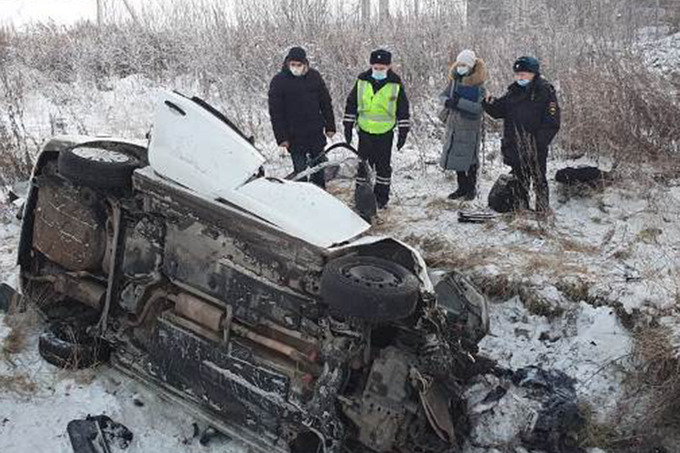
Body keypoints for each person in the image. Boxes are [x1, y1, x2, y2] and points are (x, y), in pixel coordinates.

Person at [482, 56, 560, 213]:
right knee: (519, 179)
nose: (520, 77)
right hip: (515, 145)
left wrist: (537, 143)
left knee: (539, 180)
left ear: (533, 74)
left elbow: (552, 122)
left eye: (523, 74)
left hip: (536, 146)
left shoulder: (545, 91)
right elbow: (499, 111)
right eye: (517, 74)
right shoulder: (513, 92)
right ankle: (521, 208)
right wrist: (489, 103)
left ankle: (542, 212)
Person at [343, 49, 410, 209]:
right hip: (365, 132)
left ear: (389, 66)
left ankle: (381, 198)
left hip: (385, 133)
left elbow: (403, 109)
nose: (378, 70)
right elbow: (351, 103)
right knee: (363, 167)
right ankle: (361, 197)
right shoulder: (362, 81)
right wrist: (347, 125)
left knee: (383, 168)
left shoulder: (395, 84)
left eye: (382, 68)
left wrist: (403, 132)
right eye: (376, 67)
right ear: (371, 65)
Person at [268, 46, 336, 189]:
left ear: (305, 64)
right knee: (301, 172)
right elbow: (276, 113)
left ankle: (320, 193)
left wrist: (330, 126)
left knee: (319, 169)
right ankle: (302, 196)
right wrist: (282, 138)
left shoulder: (314, 77)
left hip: (315, 132)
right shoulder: (279, 81)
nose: (296, 68)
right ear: (287, 64)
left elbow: (325, 103)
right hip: (294, 136)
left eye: (299, 65)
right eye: (293, 65)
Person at [439, 49, 487, 200]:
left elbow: (479, 108)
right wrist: (447, 102)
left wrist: (458, 102)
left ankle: (471, 189)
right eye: (459, 64)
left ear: (472, 66)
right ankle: (461, 188)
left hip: (470, 127)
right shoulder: (454, 81)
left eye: (465, 64)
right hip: (454, 125)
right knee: (456, 157)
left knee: (470, 159)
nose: (461, 67)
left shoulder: (479, 86)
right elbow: (442, 95)